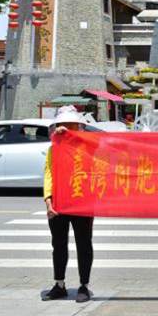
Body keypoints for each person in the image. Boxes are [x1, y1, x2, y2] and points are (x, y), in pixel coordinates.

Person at [41, 106, 95, 303]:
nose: (66, 128)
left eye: (71, 124)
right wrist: (48, 200)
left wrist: (76, 138)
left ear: (79, 126)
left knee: (84, 244)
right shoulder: (53, 149)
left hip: (82, 202)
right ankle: (59, 284)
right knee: (59, 244)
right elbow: (48, 173)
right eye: (63, 124)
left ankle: (84, 285)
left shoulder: (89, 146)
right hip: (58, 203)